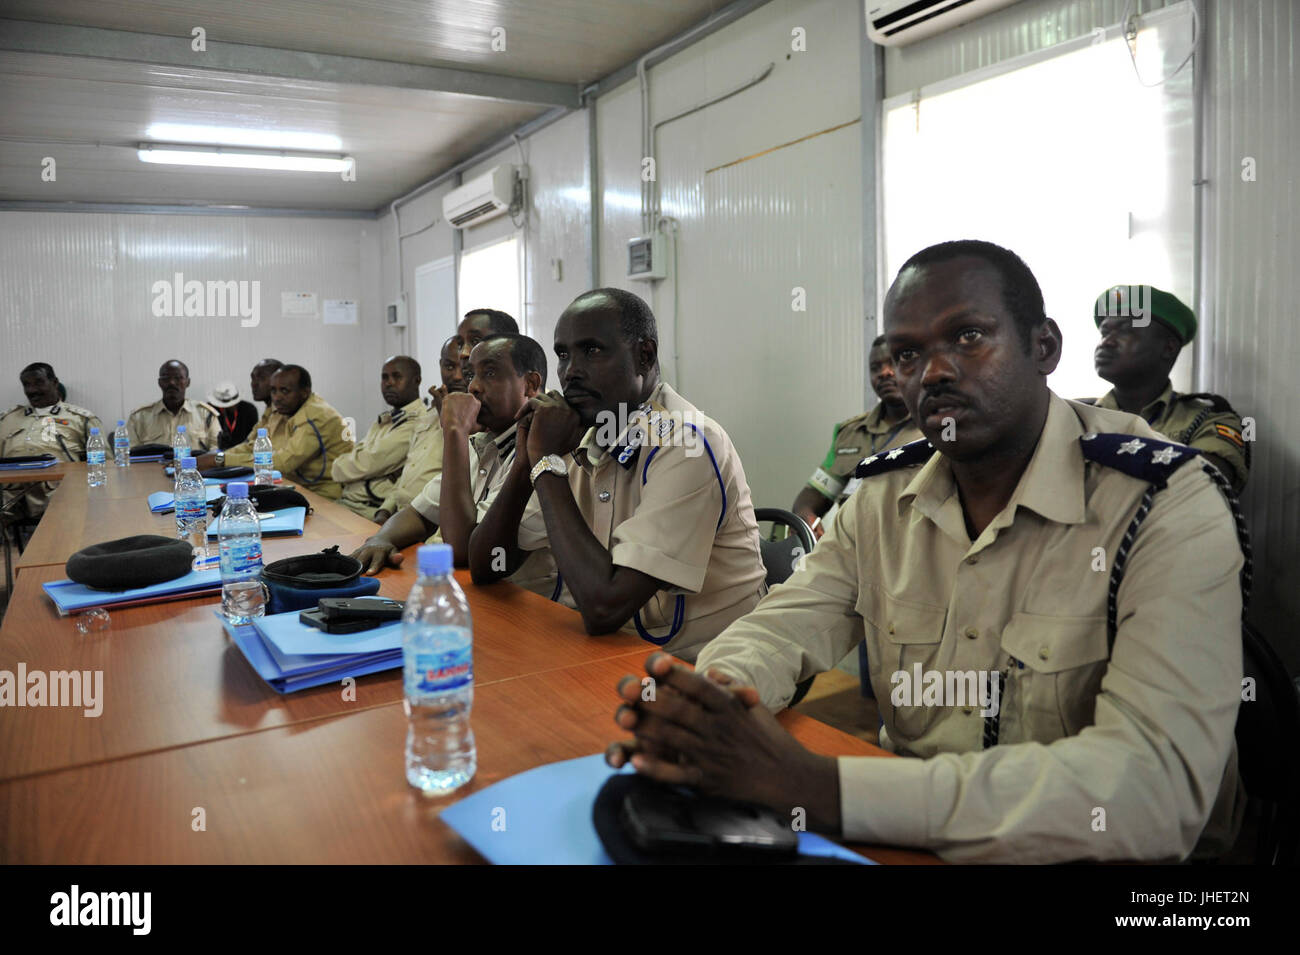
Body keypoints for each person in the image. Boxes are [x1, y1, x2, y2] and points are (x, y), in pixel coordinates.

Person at [605, 240, 1247, 864]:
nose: (933, 372)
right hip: (904, 838)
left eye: (968, 336)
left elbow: (1151, 792)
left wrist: (820, 789)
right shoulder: (885, 497)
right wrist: (711, 707)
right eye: (907, 353)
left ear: (1043, 347)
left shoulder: (1165, 501)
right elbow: (785, 623)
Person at [468, 288, 767, 664]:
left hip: (705, 670)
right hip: (612, 658)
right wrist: (528, 459)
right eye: (563, 355)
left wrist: (546, 463)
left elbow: (605, 608)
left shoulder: (688, 442)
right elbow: (486, 564)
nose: (571, 371)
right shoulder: (586, 433)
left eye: (592, 350)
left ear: (645, 355)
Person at [352, 334, 550, 587]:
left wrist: (454, 431)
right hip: (479, 593)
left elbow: (462, 550)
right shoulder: (484, 442)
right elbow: (418, 513)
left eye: (489, 374)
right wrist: (382, 539)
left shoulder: (540, 448)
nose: (473, 387)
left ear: (531, 384)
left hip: (530, 610)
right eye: (471, 376)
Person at [1091, 285, 1250, 493]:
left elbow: (1205, 483)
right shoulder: (1076, 416)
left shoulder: (1209, 420)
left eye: (1125, 331)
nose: (1106, 342)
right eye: (1104, 332)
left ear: (1168, 347)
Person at [792, 335, 922, 538]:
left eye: (893, 363)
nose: (884, 373)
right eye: (875, 367)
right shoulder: (851, 432)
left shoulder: (935, 430)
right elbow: (818, 491)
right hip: (851, 546)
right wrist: (805, 514)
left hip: (908, 547)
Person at [202, 365, 353, 498]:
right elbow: (252, 445)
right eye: (273, 391)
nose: (277, 397)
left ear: (304, 392)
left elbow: (283, 462)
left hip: (323, 494)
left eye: (284, 391)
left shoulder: (316, 415)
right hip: (292, 485)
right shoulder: (288, 410)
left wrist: (219, 460)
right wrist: (217, 458)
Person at [373, 336, 465, 525]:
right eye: (449, 367)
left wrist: (445, 417)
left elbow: (460, 475)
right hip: (400, 515)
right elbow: (410, 469)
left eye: (464, 367)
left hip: (430, 522)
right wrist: (384, 510)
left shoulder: (476, 420)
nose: (456, 376)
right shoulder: (428, 413)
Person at [1, 363, 102, 519]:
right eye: (26, 385)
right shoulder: (7, 419)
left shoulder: (81, 419)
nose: (32, 390)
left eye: (38, 383)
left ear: (54, 382)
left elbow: (105, 465)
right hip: (11, 493)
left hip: (60, 491)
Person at [332, 356, 427, 519]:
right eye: (385, 377)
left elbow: (367, 463)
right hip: (349, 503)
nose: (389, 383)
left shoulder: (419, 421)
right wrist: (352, 465)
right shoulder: (387, 418)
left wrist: (349, 465)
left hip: (371, 510)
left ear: (416, 381)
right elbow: (355, 461)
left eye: (397, 377)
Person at [126, 360, 220, 450]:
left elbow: (217, 451)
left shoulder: (206, 414)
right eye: (166, 378)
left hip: (195, 466)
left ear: (188, 382)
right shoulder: (139, 418)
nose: (172, 383)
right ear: (160, 383)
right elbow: (130, 455)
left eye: (178, 378)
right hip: (153, 467)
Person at [207, 381, 259, 450]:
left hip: (243, 450)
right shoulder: (210, 410)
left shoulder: (249, 409)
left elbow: (253, 436)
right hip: (217, 450)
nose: (232, 405)